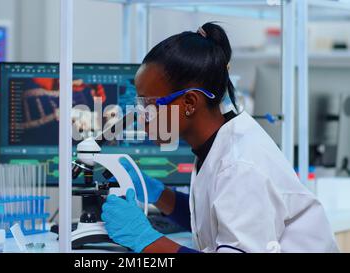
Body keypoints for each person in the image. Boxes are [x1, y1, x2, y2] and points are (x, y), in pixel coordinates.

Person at [101, 22, 339, 253]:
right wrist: (158, 193)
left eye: (149, 105)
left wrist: (145, 240)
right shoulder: (215, 143)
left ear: (190, 103)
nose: (141, 117)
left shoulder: (240, 166)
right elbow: (214, 220)